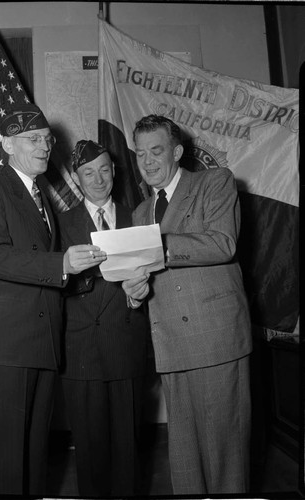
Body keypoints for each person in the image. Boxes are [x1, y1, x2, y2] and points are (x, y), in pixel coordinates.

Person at [0, 105, 106, 496]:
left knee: (33, 457)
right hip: (6, 344)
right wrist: (61, 262)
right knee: (5, 458)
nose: (44, 146)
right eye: (33, 139)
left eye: (47, 139)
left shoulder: (41, 197)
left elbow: (49, 274)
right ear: (7, 144)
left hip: (41, 341)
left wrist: (97, 275)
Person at [123, 114, 253, 495]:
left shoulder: (215, 182)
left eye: (156, 151)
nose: (147, 161)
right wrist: (134, 291)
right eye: (140, 153)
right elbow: (146, 280)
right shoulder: (139, 213)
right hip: (171, 347)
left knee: (225, 459)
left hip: (215, 342)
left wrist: (158, 248)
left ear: (177, 152)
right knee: (184, 462)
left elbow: (222, 243)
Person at [57, 140, 149, 497]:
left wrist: (140, 295)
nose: (98, 180)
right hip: (80, 350)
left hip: (126, 342)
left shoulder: (137, 216)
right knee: (90, 451)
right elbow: (53, 284)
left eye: (104, 170)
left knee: (128, 446)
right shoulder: (60, 223)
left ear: (115, 171)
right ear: (77, 179)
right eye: (88, 173)